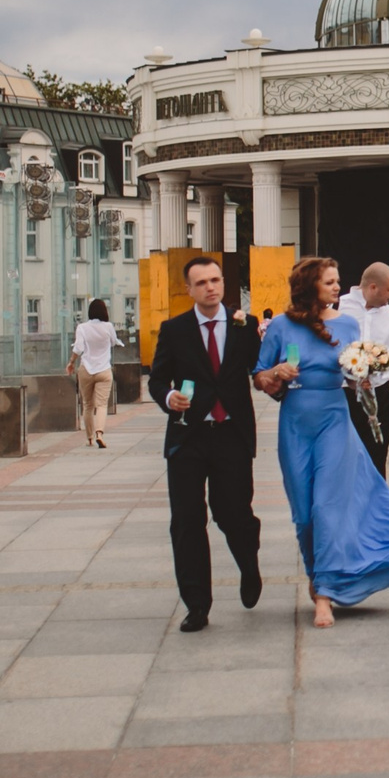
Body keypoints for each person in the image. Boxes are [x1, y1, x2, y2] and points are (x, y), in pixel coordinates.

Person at [257, 257, 389, 628]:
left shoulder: (347, 324)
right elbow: (259, 377)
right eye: (329, 282)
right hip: (295, 423)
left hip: (335, 420)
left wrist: (366, 375)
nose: (337, 287)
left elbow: (354, 376)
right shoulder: (281, 327)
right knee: (304, 512)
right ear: (308, 286)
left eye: (337, 281)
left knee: (328, 505)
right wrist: (274, 373)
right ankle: (319, 577)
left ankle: (325, 595)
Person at [147, 256, 264, 633]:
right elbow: (157, 379)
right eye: (201, 283)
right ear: (189, 289)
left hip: (232, 434)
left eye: (215, 280)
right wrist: (169, 398)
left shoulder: (244, 326)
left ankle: (248, 561)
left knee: (232, 515)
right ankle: (197, 604)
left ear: (223, 284)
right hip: (188, 436)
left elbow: (259, 370)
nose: (210, 287)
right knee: (186, 520)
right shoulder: (174, 329)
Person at [335, 261, 389, 473]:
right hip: (343, 395)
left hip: (379, 395)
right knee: (343, 462)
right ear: (372, 287)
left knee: (376, 461)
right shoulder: (338, 308)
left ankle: (374, 505)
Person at [68, 298, 120, 448]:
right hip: (104, 369)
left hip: (86, 369)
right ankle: (99, 433)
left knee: (87, 405)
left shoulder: (82, 327)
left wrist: (71, 362)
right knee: (102, 404)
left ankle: (90, 438)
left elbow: (78, 348)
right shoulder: (108, 326)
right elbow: (113, 341)